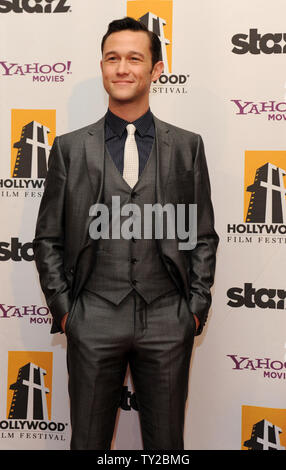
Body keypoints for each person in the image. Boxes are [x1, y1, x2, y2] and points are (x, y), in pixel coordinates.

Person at [33, 16, 219, 450]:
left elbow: (201, 235)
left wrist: (193, 308)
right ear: (101, 66)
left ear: (156, 70)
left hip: (168, 317)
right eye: (112, 58)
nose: (122, 68)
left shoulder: (187, 146)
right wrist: (67, 312)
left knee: (167, 447)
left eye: (134, 58)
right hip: (92, 315)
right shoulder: (69, 148)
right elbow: (47, 239)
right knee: (89, 444)